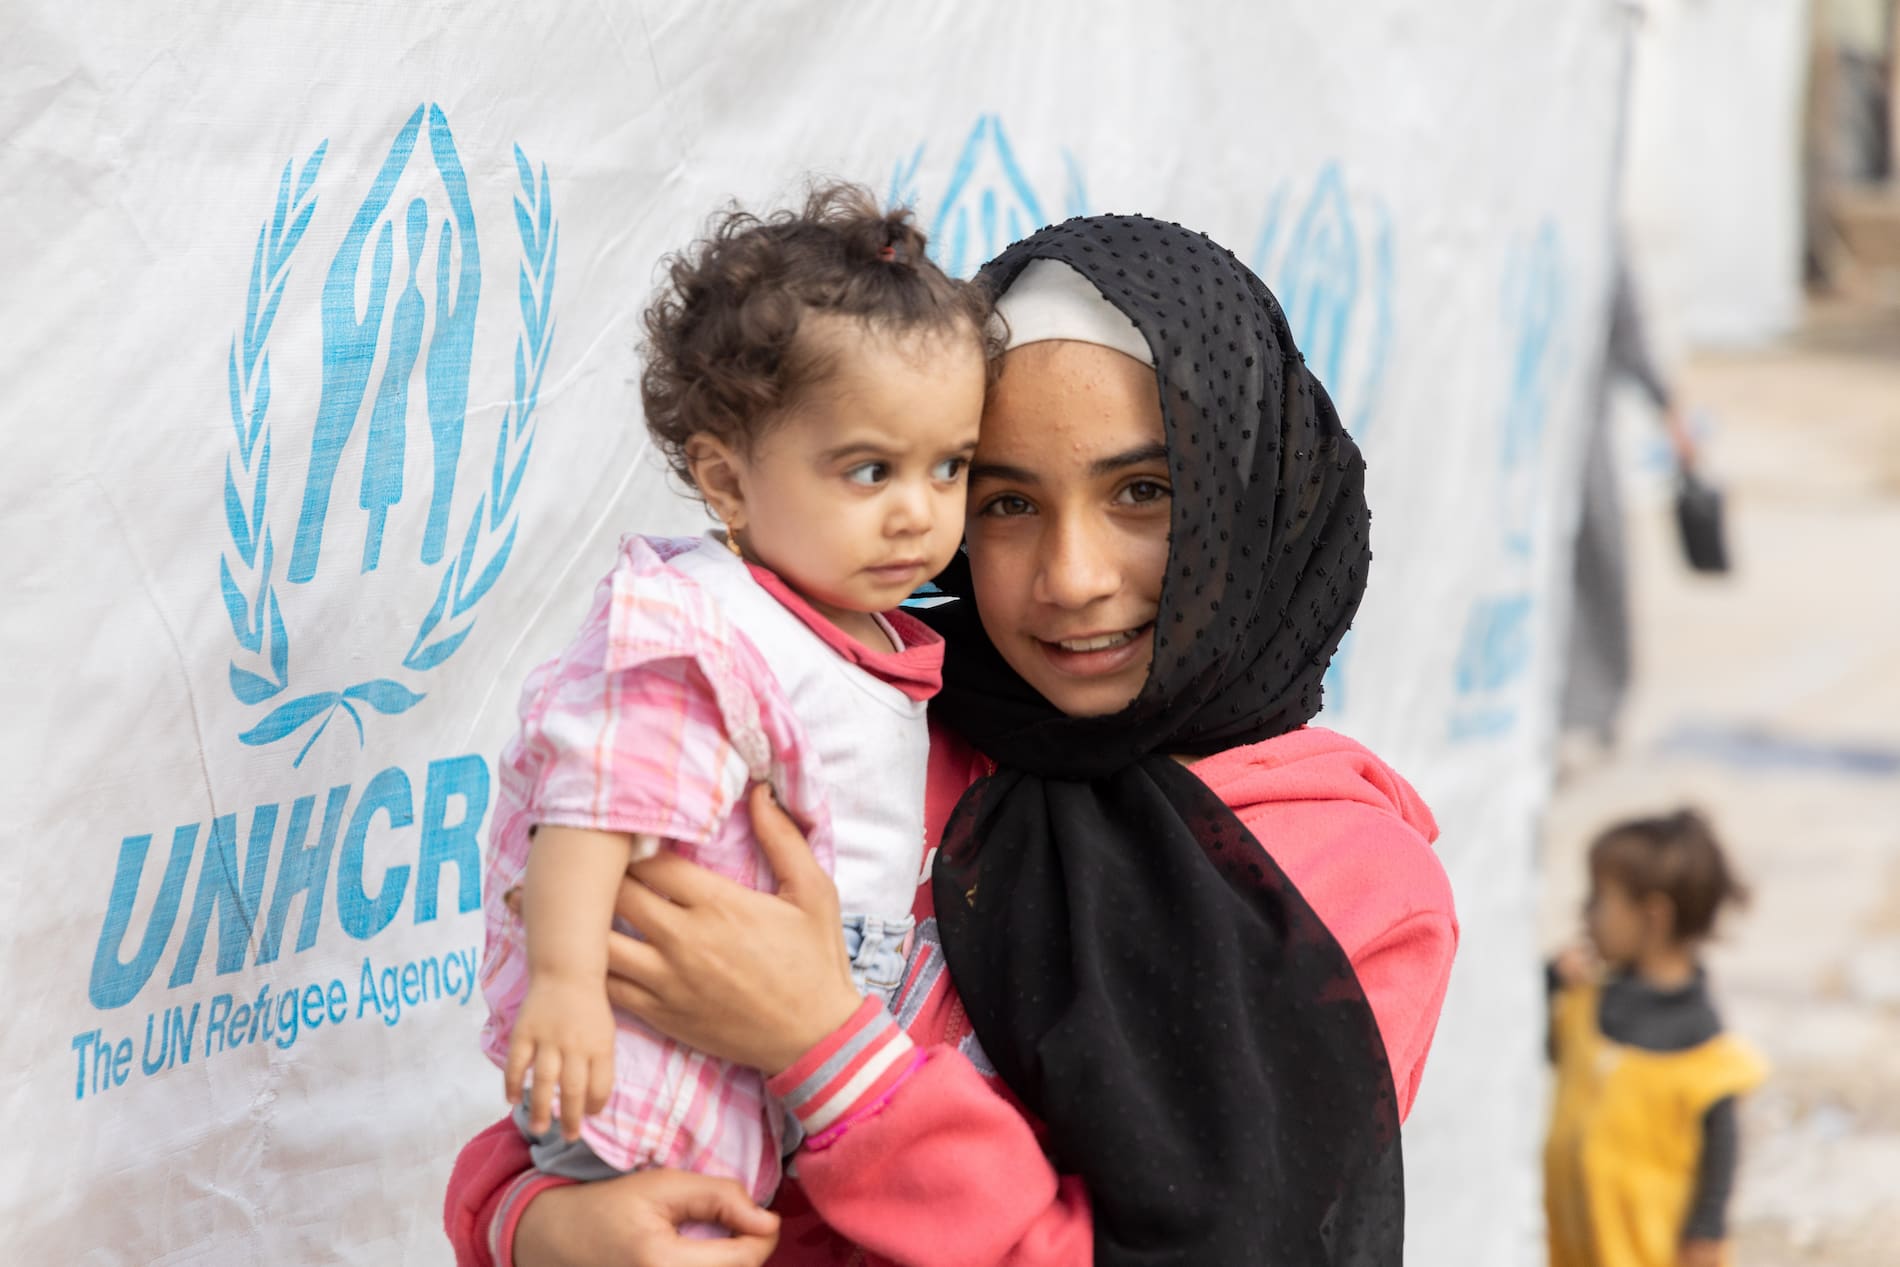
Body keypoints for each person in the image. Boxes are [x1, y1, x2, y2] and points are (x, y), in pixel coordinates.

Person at [446, 214, 1460, 1266]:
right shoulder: (865, 732)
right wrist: (534, 1225)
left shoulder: (1352, 883)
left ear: (1248, 490)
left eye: (1142, 492)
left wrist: (827, 1049)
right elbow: (606, 1076)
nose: (1071, 576)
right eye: (1006, 500)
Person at [476, 183, 990, 1207]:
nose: (918, 514)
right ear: (724, 479)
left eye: (949, 468)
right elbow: (592, 806)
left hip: (780, 1027)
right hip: (647, 1049)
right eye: (868, 470)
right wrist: (570, 987)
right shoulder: (701, 631)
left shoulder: (853, 628)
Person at [1545, 809, 1767, 1267]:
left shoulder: (1703, 1048)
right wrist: (1547, 983)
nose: (1585, 913)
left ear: (1654, 916)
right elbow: (1552, 1053)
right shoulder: (1587, 1005)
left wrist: (1706, 1232)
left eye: (1600, 899)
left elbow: (1720, 1150)